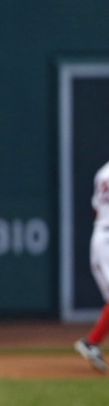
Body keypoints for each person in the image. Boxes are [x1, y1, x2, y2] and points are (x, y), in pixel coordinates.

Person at [75, 159, 109, 373]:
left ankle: (92, 342)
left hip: (101, 234)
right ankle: (91, 342)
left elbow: (96, 209)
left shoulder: (103, 171)